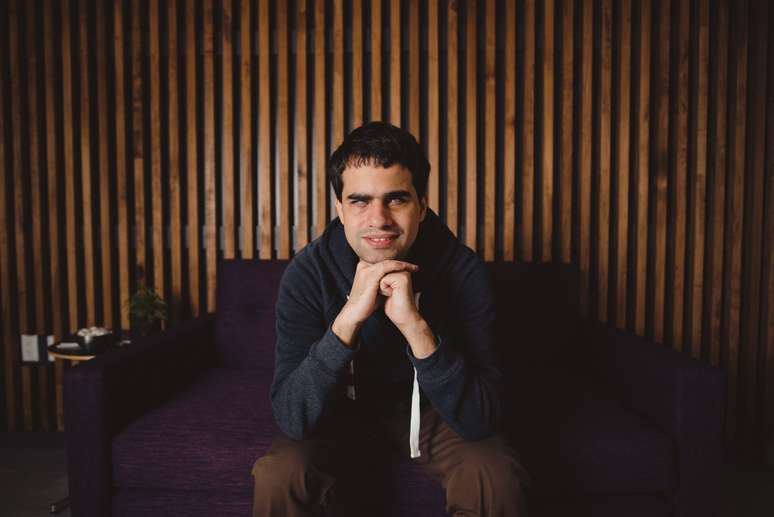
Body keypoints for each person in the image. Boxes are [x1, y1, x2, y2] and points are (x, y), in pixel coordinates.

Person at [252, 121, 528, 516]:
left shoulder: (462, 271)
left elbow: (481, 418)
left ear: (422, 205)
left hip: (434, 415)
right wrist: (348, 320)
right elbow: (293, 417)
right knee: (281, 474)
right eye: (360, 201)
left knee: (494, 476)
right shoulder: (308, 273)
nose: (378, 219)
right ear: (339, 209)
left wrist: (415, 326)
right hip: (340, 416)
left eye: (396, 199)